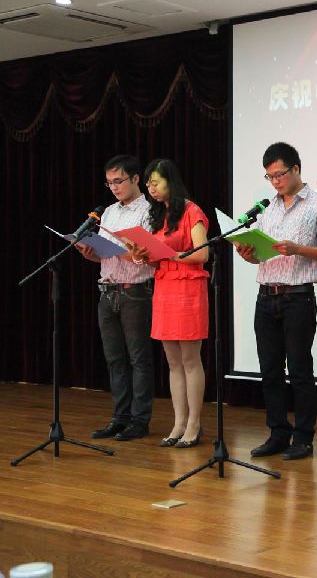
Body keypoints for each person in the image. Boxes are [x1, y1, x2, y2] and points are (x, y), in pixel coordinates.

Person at [234, 142, 317, 461]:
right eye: (270, 177)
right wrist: (248, 254)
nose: (276, 181)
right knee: (270, 371)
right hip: (266, 297)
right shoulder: (268, 208)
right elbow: (263, 256)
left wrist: (298, 249)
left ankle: (303, 438)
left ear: (296, 169)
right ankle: (278, 433)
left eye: (280, 174)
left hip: (298, 298)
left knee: (299, 370)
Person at [129, 159, 210, 449]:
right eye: (148, 184)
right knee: (173, 361)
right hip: (164, 287)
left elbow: (202, 254)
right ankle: (178, 423)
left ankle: (194, 424)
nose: (151, 188)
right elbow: (157, 257)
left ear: (170, 181)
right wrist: (143, 255)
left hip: (188, 287)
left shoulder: (192, 210)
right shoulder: (160, 214)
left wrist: (170, 254)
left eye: (155, 182)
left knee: (190, 359)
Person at [76, 155, 155, 442]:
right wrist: (91, 253)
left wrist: (121, 250)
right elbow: (105, 255)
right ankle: (119, 418)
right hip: (107, 291)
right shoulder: (108, 212)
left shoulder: (149, 210)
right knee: (114, 359)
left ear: (135, 179)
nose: (114, 187)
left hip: (136, 291)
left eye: (118, 181)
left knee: (139, 359)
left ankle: (139, 420)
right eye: (109, 183)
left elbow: (147, 255)